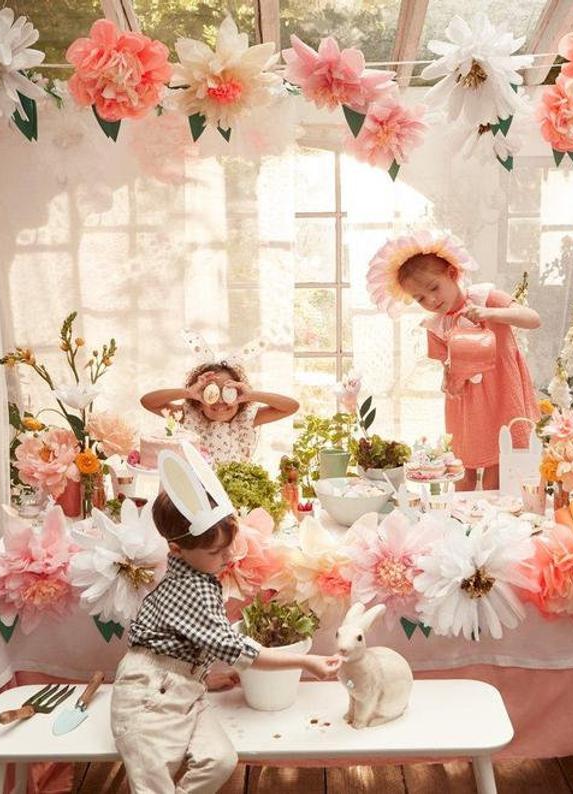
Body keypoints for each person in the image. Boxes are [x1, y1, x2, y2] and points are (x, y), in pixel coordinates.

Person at [110, 442, 341, 793]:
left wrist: (200, 677)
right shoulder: (192, 590)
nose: (228, 556)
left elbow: (183, 643)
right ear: (176, 549)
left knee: (219, 760)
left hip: (183, 689)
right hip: (149, 694)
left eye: (229, 545)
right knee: (153, 779)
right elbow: (237, 649)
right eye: (216, 551)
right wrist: (305, 662)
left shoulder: (197, 576)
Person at [367, 231, 540, 491]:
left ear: (452, 273)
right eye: (420, 298)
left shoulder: (487, 299)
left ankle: (492, 509)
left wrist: (491, 313)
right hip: (466, 401)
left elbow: (533, 319)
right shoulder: (437, 324)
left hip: (501, 391)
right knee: (462, 465)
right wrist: (448, 378)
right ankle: (458, 511)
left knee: (497, 460)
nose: (431, 300)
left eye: (434, 288)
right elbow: (447, 365)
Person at [140, 359, 299, 464]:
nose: (220, 401)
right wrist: (188, 392)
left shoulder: (246, 419)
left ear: (238, 394)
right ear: (199, 400)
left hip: (234, 496)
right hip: (198, 493)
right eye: (213, 393)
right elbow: (148, 402)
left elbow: (291, 406)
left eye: (228, 392)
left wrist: (251, 395)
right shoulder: (189, 416)